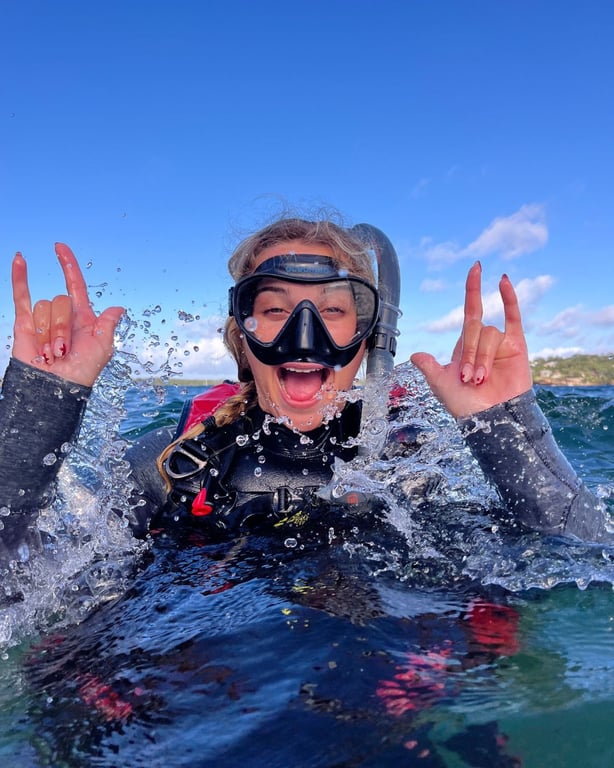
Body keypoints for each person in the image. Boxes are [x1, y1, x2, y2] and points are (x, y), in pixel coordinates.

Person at [0, 218, 610, 569]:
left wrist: (507, 428)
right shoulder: (171, 469)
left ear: (370, 340)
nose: (305, 339)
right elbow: (18, 592)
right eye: (273, 310)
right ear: (243, 339)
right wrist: (38, 407)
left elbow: (585, 562)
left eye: (335, 312)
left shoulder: (412, 466)